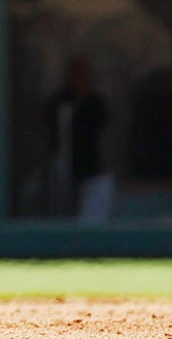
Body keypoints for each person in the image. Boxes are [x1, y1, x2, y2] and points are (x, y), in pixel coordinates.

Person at [42, 55, 111, 221]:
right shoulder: (60, 101)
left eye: (83, 74)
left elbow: (101, 122)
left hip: (89, 165)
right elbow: (49, 121)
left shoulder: (94, 101)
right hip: (63, 166)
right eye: (76, 74)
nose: (79, 78)